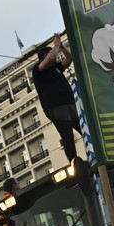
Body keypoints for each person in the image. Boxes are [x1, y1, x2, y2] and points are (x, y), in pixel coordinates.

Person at [31, 33, 83, 163]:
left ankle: (94, 153)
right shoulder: (38, 70)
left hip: (70, 104)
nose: (54, 55)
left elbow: (69, 58)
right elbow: (49, 58)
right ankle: (74, 162)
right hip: (56, 108)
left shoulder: (56, 68)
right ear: (43, 57)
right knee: (67, 136)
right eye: (49, 53)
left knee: (85, 129)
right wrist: (56, 46)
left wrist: (61, 45)